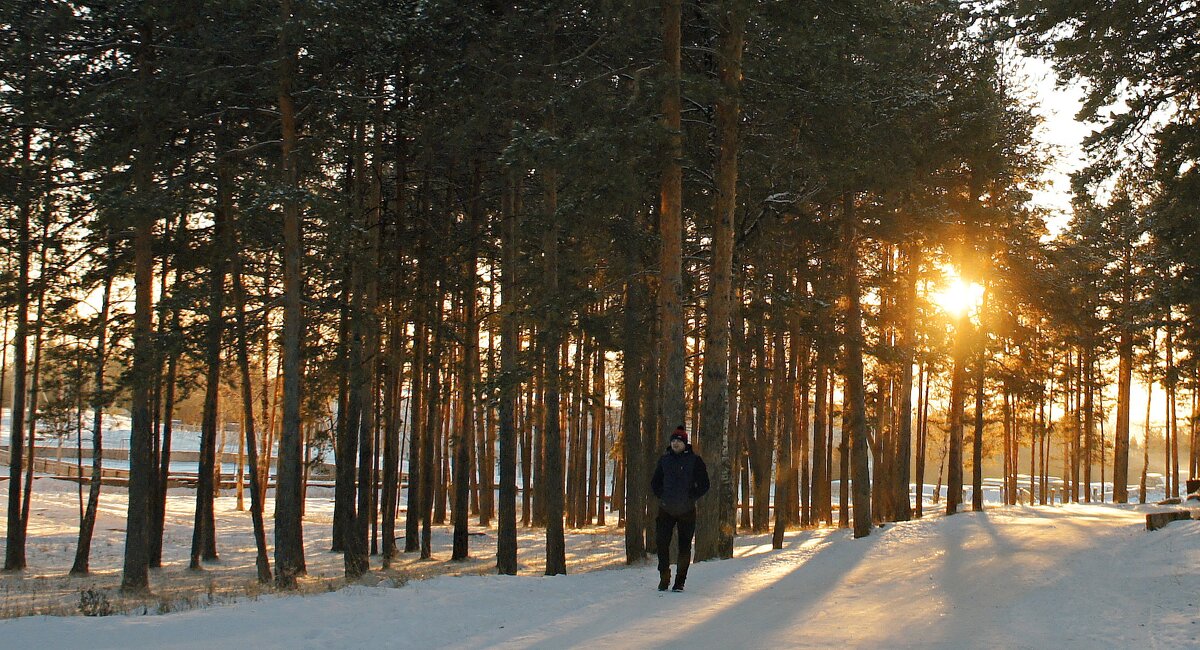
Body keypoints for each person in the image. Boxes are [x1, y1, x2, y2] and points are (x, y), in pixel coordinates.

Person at [650, 425, 709, 592]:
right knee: (661, 543)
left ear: (685, 443)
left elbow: (705, 484)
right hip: (666, 510)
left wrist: (691, 496)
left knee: (684, 547)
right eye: (673, 441)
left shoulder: (695, 461)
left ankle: (680, 581)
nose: (675, 443)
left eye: (679, 441)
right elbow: (655, 483)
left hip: (686, 511)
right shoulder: (664, 460)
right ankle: (664, 577)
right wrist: (662, 496)